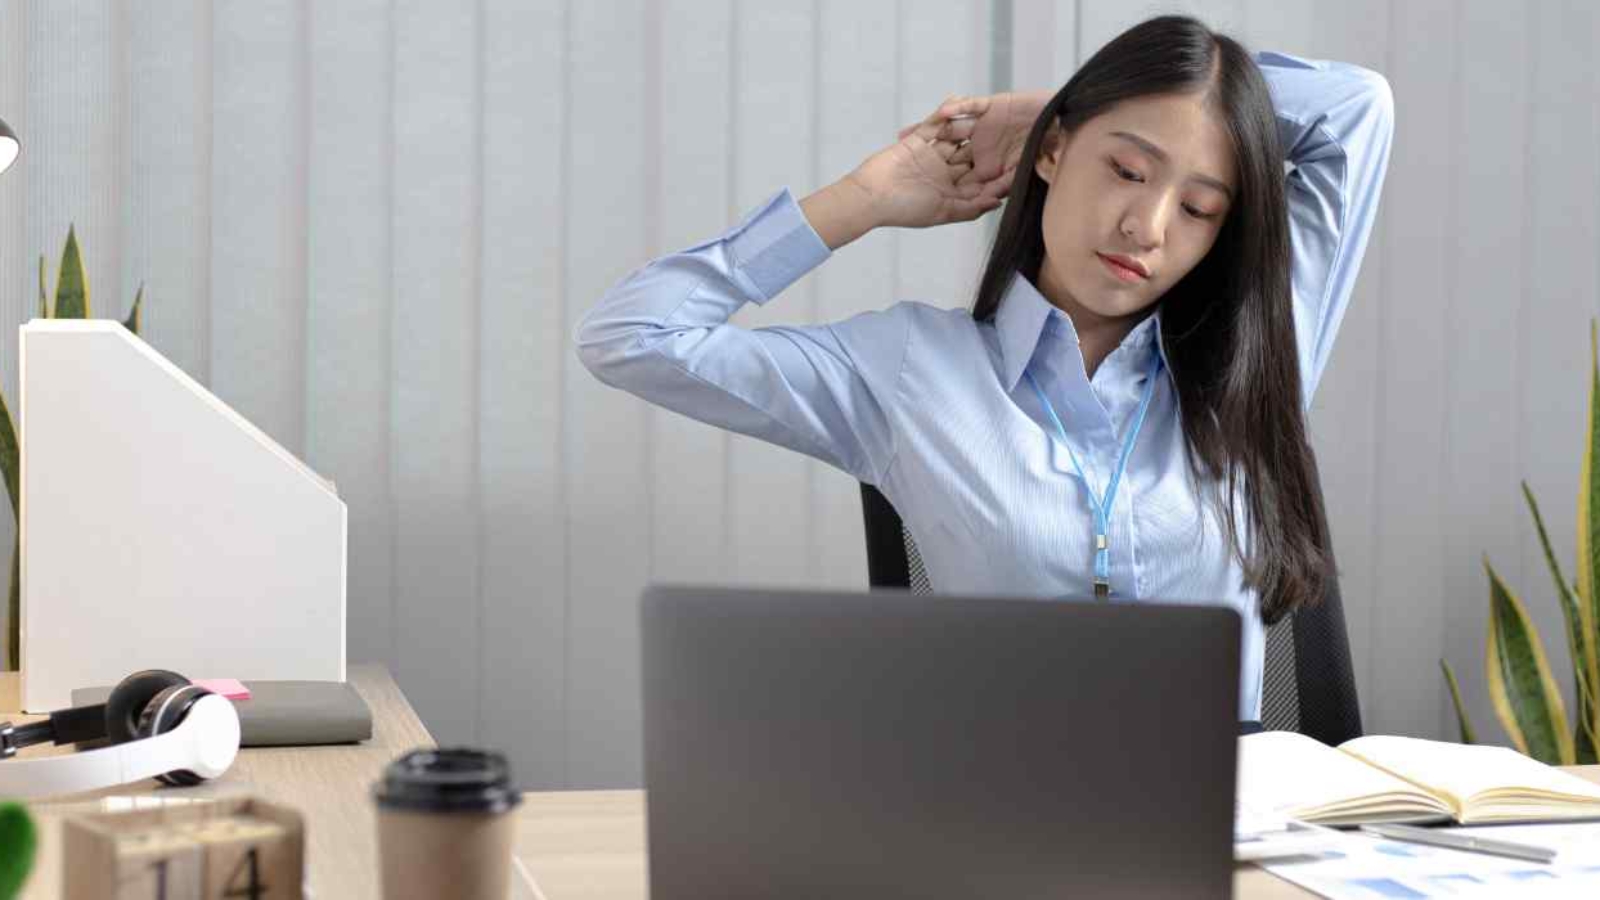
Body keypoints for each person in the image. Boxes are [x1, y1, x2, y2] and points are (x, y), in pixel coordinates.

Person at [574, 14, 1395, 724]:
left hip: (1231, 839)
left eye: (1197, 208)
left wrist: (1062, 106)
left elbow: (1360, 107)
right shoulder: (907, 371)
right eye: (1126, 169)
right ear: (1055, 155)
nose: (1146, 225)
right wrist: (861, 201)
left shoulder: (1256, 353)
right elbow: (631, 335)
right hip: (997, 818)